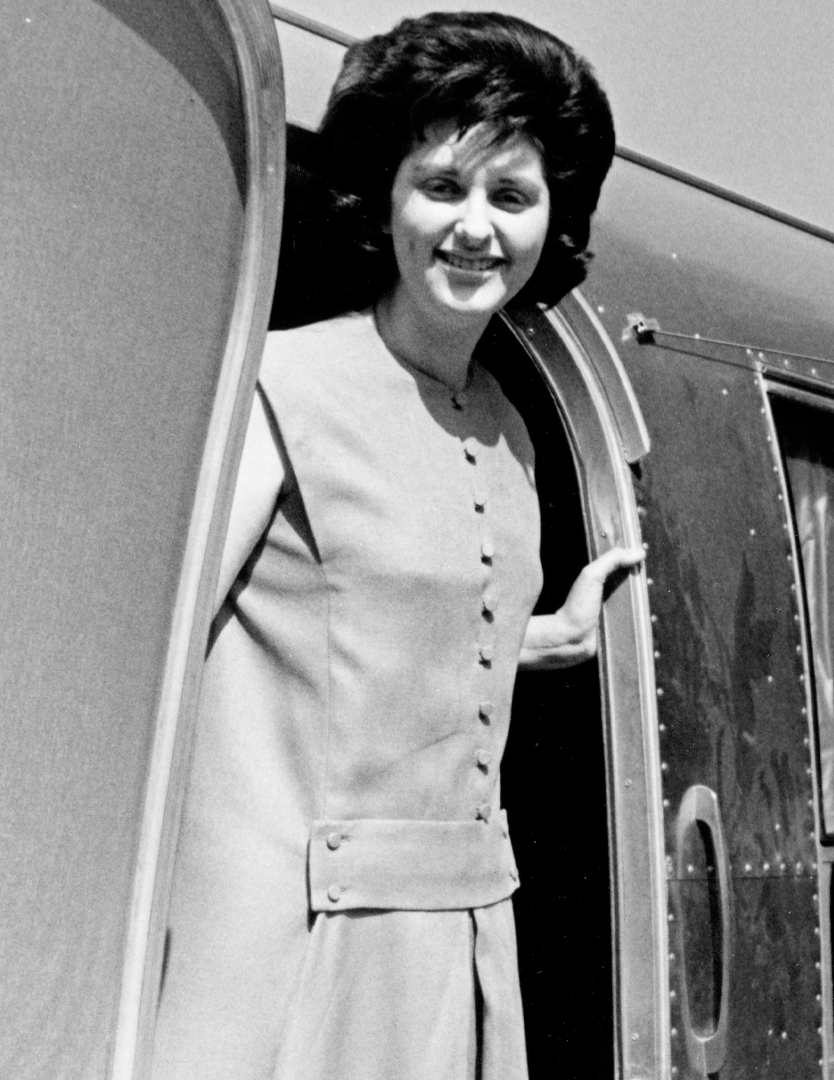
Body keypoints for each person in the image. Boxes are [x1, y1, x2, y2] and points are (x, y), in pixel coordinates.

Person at [149, 13, 637, 1079]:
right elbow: (148, 665)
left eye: (511, 197)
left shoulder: (511, 428)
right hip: (291, 948)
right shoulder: (285, 385)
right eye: (443, 187)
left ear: (552, 222)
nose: (475, 228)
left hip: (462, 941)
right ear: (386, 196)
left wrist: (537, 636)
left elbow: (374, 620)